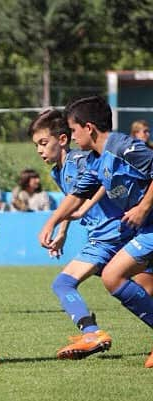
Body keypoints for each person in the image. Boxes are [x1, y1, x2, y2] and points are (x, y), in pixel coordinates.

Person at [39, 96, 153, 368]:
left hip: (145, 226)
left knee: (114, 275)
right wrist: (52, 222)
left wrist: (143, 207)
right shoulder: (94, 160)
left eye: (73, 129)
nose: (72, 136)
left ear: (88, 128)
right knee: (132, 281)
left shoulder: (124, 147)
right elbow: (78, 194)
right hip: (144, 229)